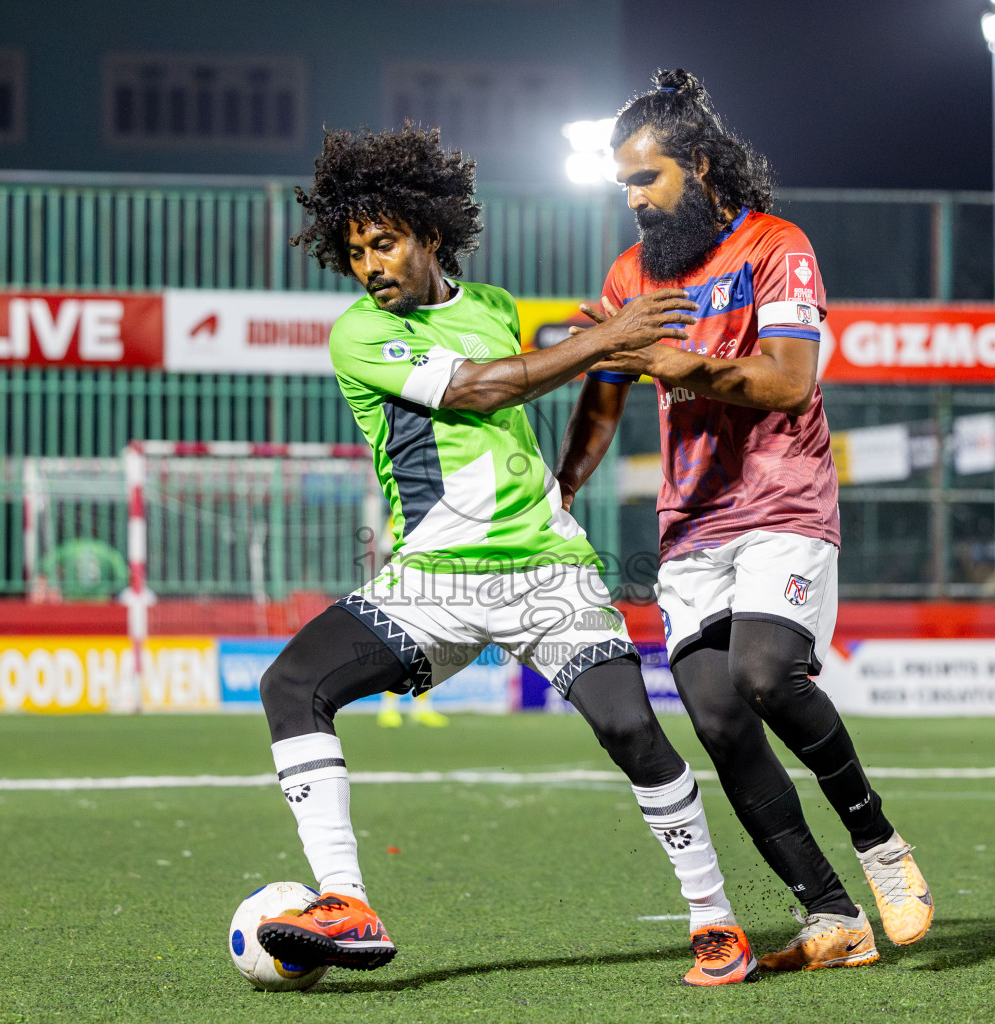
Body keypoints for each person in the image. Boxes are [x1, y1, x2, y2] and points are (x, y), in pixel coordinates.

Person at [253, 125, 760, 986]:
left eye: (386, 243)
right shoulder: (358, 336)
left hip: (547, 570)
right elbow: (485, 387)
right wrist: (602, 339)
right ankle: (345, 899)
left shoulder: (489, 304)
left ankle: (715, 922)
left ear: (430, 236)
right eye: (355, 252)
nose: (371, 266)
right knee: (292, 684)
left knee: (632, 729)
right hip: (433, 581)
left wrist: (618, 357)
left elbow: (536, 379)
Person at [556, 69, 933, 972]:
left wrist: (676, 363)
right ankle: (831, 917)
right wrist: (562, 485)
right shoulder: (630, 275)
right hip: (691, 526)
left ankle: (881, 848)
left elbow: (789, 380)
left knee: (766, 673)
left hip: (783, 500)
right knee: (719, 719)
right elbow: (605, 400)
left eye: (648, 179)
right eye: (625, 187)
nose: (637, 201)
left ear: (700, 164)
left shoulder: (776, 245)